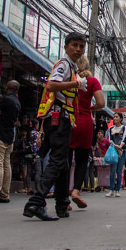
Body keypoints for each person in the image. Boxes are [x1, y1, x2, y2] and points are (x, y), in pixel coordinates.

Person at [23, 32, 87, 221]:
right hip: (59, 119)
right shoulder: (64, 65)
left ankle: (61, 204)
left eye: (81, 46)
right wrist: (76, 83)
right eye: (74, 45)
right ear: (66, 46)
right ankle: (36, 202)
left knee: (64, 163)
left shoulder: (71, 67)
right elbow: (51, 85)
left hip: (60, 119)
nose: (78, 49)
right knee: (58, 161)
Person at [68, 56, 104, 209]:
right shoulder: (92, 81)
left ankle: (62, 196)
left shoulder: (68, 80)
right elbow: (101, 103)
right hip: (85, 123)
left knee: (65, 160)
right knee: (82, 160)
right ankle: (76, 191)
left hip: (69, 120)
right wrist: (90, 108)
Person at [106, 112, 126, 197]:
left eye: (116, 117)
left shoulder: (124, 128)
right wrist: (117, 147)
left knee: (119, 171)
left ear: (121, 119)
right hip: (113, 151)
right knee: (112, 171)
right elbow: (110, 140)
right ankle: (111, 189)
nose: (115, 118)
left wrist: (120, 147)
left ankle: (117, 190)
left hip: (122, 151)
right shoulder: (111, 129)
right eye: (114, 117)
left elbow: (124, 139)